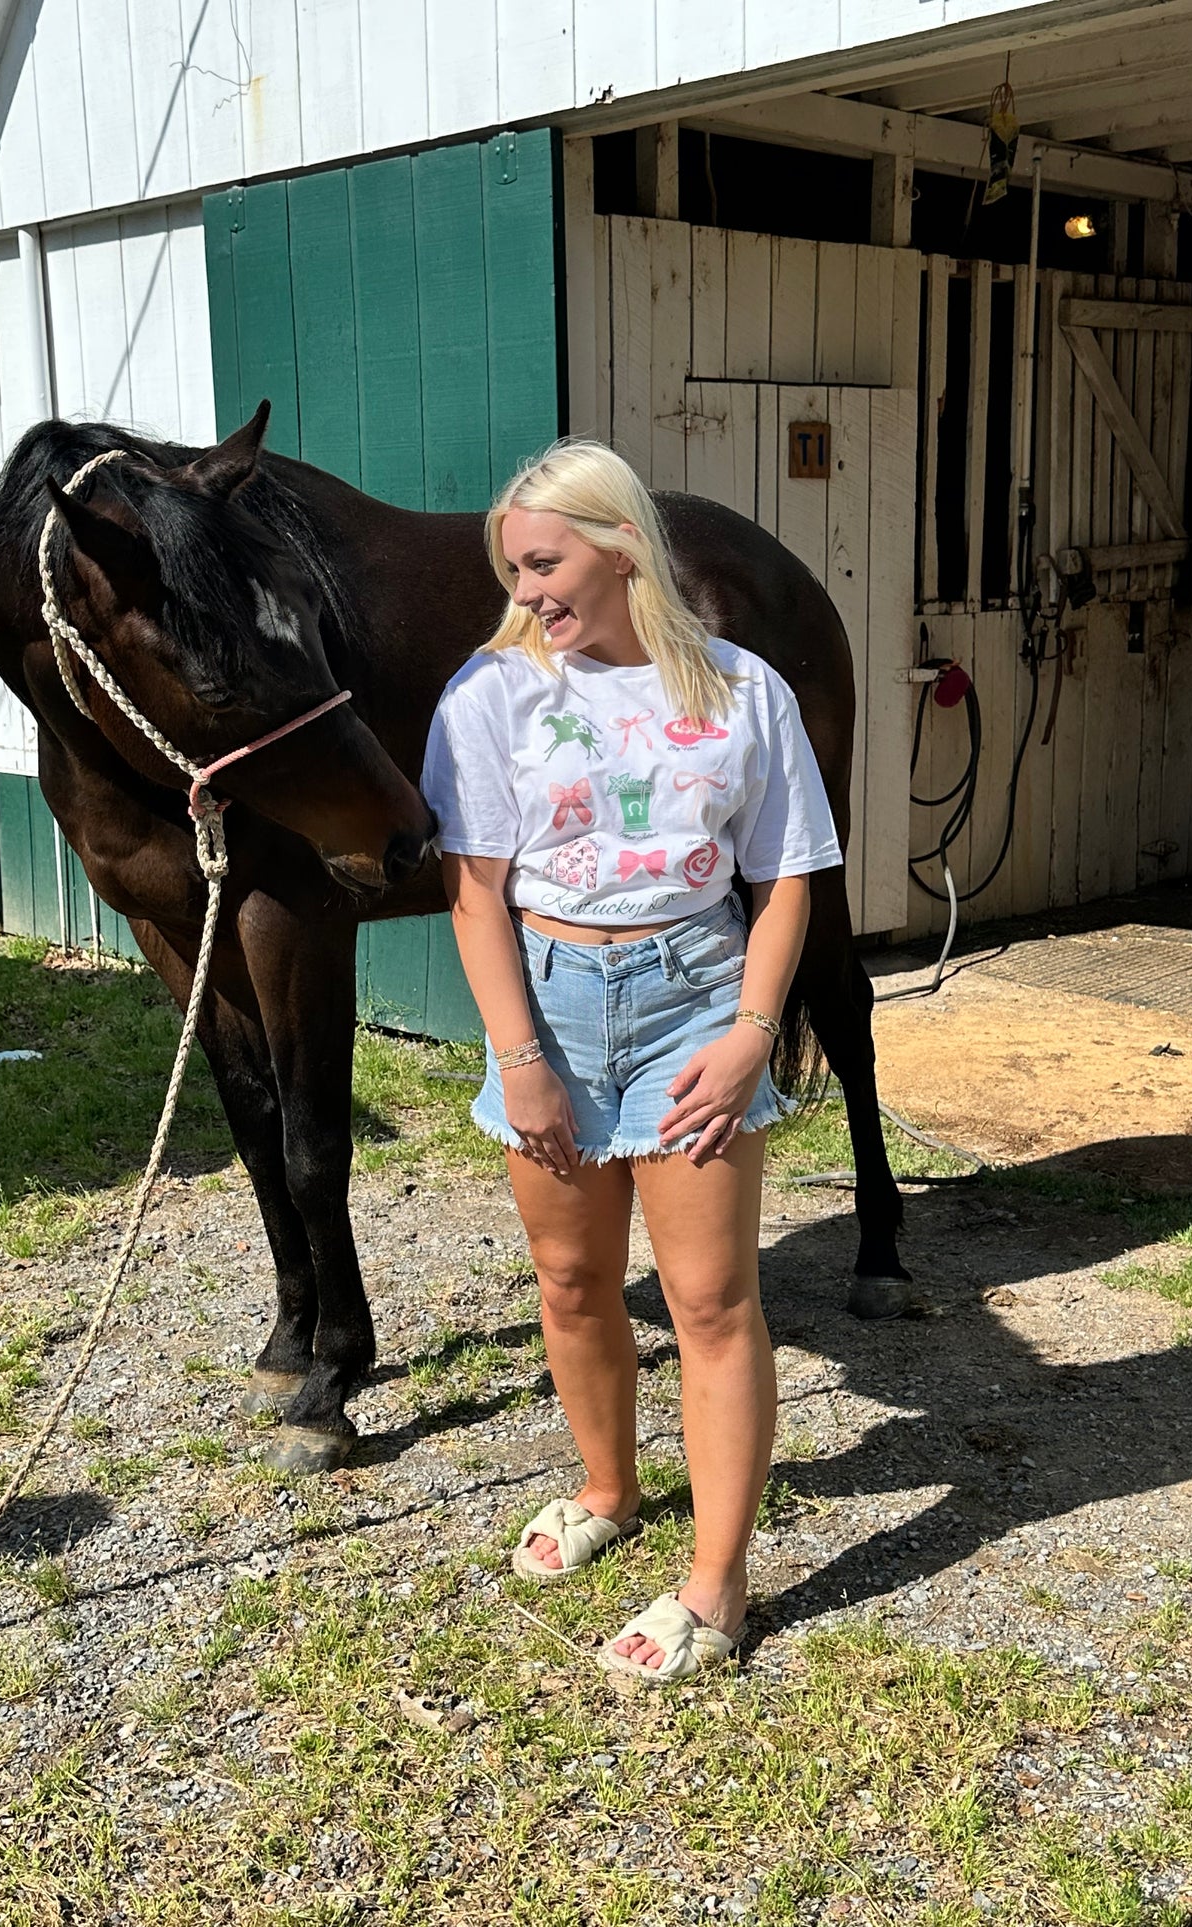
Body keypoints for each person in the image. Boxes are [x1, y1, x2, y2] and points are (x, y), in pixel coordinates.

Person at [420, 442, 843, 1683]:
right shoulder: (490, 692)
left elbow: (786, 882)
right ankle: (608, 1487)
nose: (526, 589)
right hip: (545, 1007)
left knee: (710, 1302)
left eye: (543, 562)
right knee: (568, 1279)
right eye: (513, 567)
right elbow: (473, 895)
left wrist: (750, 1033)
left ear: (619, 546)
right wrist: (520, 1056)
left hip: (692, 1001)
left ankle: (716, 1587)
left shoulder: (738, 690)